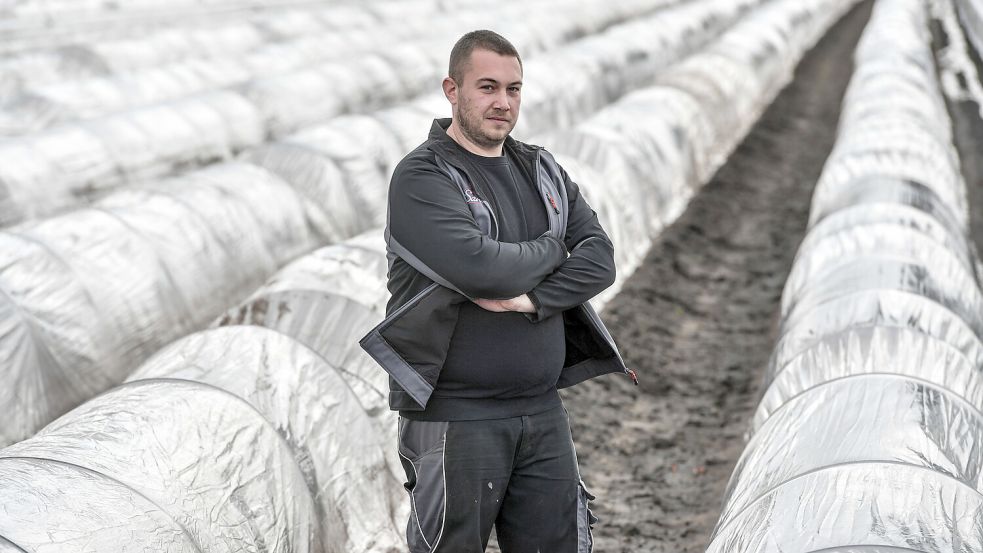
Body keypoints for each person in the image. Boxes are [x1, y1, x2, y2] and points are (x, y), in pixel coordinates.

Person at [359, 29, 635, 553]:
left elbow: (600, 258)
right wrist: (555, 249)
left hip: (541, 409)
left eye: (513, 89)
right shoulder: (422, 177)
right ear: (452, 89)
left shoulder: (541, 169)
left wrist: (533, 299)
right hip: (456, 419)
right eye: (487, 87)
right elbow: (483, 269)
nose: (502, 102)